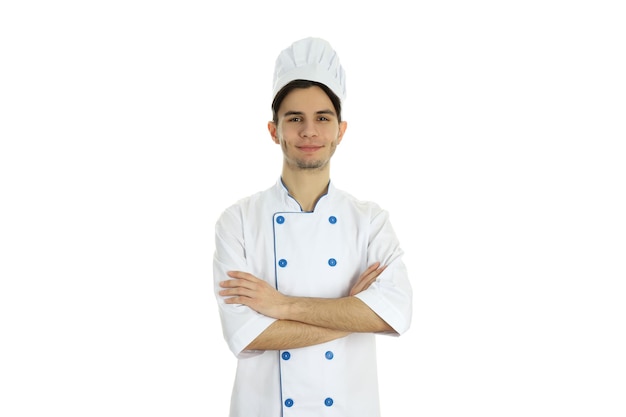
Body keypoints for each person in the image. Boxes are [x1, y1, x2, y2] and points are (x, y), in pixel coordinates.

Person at [213, 37, 413, 417]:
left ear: (341, 130)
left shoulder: (370, 221)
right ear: (274, 130)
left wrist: (280, 305)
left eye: (323, 118)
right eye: (295, 119)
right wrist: (352, 312)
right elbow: (248, 334)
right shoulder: (237, 221)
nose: (309, 131)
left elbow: (395, 314)